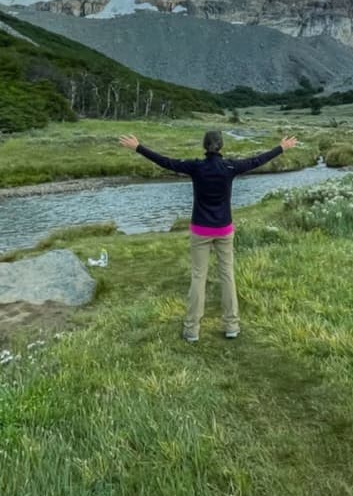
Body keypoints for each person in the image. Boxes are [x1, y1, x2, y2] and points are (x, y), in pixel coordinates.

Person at [118, 130, 298, 342]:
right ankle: (232, 326)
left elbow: (166, 162)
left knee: (198, 277)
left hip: (200, 230)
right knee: (227, 275)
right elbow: (257, 160)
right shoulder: (230, 167)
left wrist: (138, 147)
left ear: (205, 147)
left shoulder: (196, 167)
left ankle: (192, 330)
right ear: (221, 146)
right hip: (224, 229)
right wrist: (281, 148)